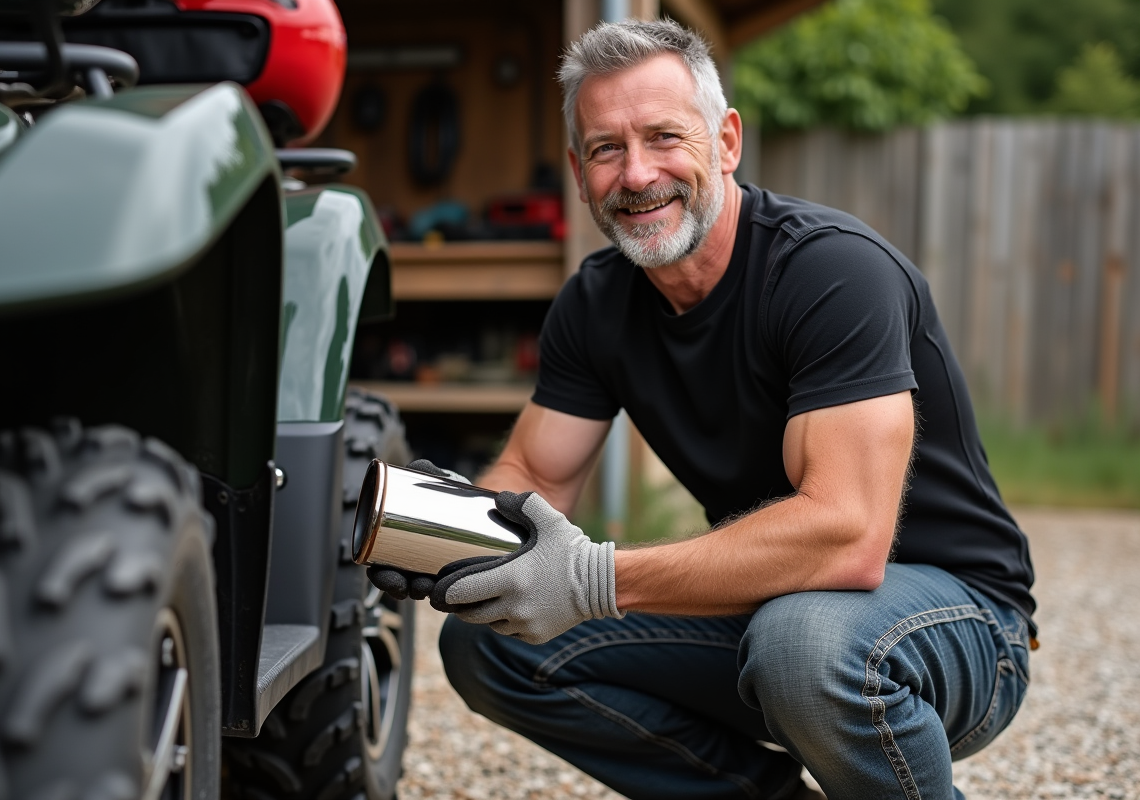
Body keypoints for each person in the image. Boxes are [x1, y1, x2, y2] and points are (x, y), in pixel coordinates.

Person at [371, 18, 1035, 800]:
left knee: (804, 643)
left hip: (955, 623)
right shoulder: (594, 303)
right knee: (492, 648)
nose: (637, 173)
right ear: (581, 176)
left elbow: (848, 538)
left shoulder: (830, 272)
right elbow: (534, 472)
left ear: (726, 142)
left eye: (663, 137)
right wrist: (446, 540)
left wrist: (593, 578)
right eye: (606, 149)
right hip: (775, 609)